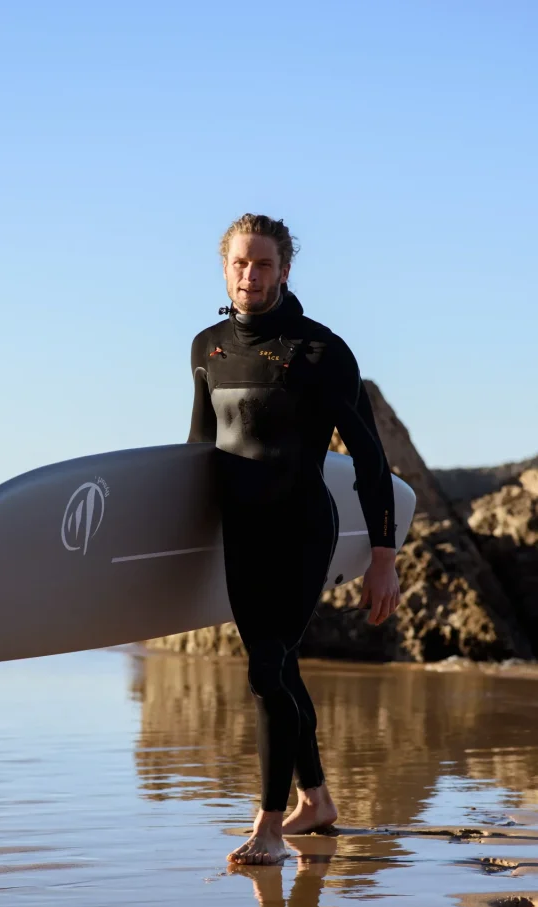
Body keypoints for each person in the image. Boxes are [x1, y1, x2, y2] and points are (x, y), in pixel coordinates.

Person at [187, 214, 401, 865]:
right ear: (225, 268)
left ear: (284, 270)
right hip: (240, 533)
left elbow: (368, 458)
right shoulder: (207, 347)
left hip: (300, 529)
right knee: (276, 670)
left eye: (262, 264)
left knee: (263, 668)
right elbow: (199, 446)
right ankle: (317, 801)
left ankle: (269, 826)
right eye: (239, 264)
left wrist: (382, 560)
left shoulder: (319, 350)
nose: (249, 275)